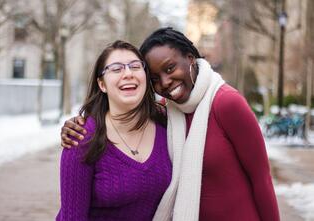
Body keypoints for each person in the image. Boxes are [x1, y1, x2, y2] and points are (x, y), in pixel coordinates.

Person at [60, 27, 280, 221]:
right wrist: (78, 125)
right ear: (102, 83)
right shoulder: (168, 114)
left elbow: (261, 179)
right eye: (155, 78)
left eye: (170, 68)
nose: (164, 82)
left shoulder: (225, 103)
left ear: (190, 58)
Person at [56, 40, 172, 221]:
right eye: (116, 69)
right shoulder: (81, 138)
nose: (128, 74)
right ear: (102, 84)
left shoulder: (167, 126)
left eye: (135, 66)